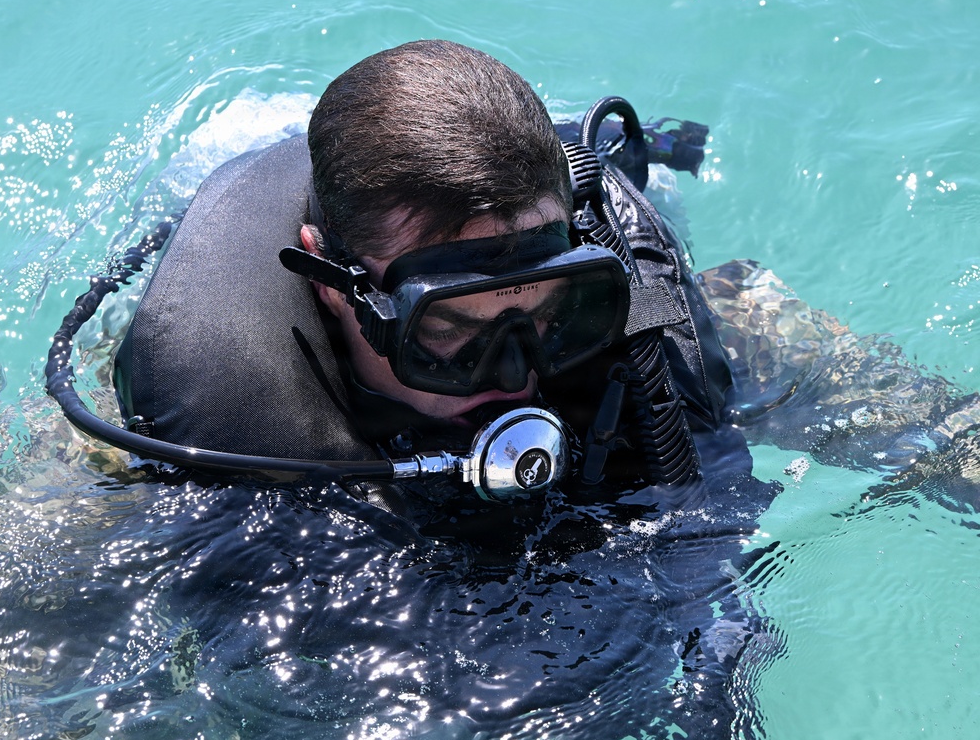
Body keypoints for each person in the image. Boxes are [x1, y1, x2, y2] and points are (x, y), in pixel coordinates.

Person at [112, 39, 739, 513]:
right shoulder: (209, 389)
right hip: (240, 187)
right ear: (334, 284)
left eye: (546, 308)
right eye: (450, 324)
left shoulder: (616, 277)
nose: (517, 376)